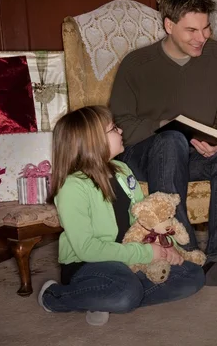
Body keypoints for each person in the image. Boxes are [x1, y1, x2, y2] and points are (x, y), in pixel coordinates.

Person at [109, 0, 217, 297]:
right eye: (191, 30)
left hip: (195, 154)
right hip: (144, 156)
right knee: (171, 139)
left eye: (206, 28)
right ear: (169, 26)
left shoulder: (216, 55)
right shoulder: (136, 65)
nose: (201, 37)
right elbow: (121, 124)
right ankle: (178, 247)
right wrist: (162, 126)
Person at [37, 106, 205, 326]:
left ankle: (103, 299)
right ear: (93, 142)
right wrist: (146, 253)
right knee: (127, 292)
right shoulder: (73, 187)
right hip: (88, 264)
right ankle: (55, 297)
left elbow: (144, 221)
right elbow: (87, 248)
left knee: (193, 275)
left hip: (128, 259)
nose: (121, 131)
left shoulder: (123, 170)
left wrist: (166, 246)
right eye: (113, 128)